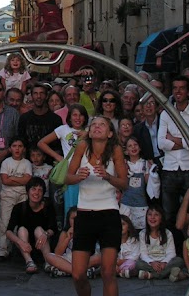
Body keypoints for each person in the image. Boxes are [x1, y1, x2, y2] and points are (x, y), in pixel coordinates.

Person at [66, 115, 129, 296]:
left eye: (102, 125)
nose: (97, 127)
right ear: (89, 131)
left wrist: (108, 176)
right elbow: (67, 178)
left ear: (110, 133)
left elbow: (124, 183)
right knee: (78, 274)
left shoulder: (115, 149)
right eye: (94, 125)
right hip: (85, 214)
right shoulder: (82, 146)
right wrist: (78, 176)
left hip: (108, 213)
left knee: (108, 272)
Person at [157, 76, 189, 238]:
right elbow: (161, 143)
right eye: (175, 88)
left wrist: (173, 138)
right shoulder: (165, 114)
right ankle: (174, 249)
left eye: (182, 88)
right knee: (169, 213)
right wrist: (187, 138)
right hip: (169, 168)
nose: (178, 91)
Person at [38, 103, 88, 212]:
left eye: (81, 115)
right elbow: (41, 143)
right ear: (69, 117)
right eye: (74, 115)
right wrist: (58, 157)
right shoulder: (63, 129)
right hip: (70, 172)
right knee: (71, 207)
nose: (78, 118)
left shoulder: (90, 131)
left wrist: (88, 135)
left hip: (87, 173)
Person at [5, 176, 57, 273]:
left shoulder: (48, 207)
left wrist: (45, 234)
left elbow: (53, 228)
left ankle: (48, 261)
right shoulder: (19, 207)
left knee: (39, 230)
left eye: (40, 190)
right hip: (25, 246)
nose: (36, 193)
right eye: (33, 189)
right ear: (28, 191)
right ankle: (29, 262)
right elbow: (8, 231)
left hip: (43, 243)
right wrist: (21, 243)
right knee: (22, 230)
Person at [0, 137, 32, 260]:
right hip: (7, 195)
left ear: (24, 149)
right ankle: (2, 250)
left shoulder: (27, 163)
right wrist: (20, 180)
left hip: (23, 195)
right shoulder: (6, 162)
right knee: (4, 222)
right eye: (14, 146)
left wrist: (12, 178)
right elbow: (5, 180)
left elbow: (27, 180)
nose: (17, 149)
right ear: (10, 148)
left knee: (22, 223)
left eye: (20, 146)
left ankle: (22, 249)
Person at [135, 205, 184, 280]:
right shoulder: (142, 234)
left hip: (164, 262)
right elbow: (143, 253)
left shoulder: (168, 233)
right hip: (150, 264)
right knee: (138, 264)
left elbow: (171, 253)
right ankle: (166, 274)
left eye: (156, 215)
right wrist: (151, 262)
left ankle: (152, 275)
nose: (152, 217)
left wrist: (164, 262)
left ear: (161, 218)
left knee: (179, 261)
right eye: (150, 214)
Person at [18, 82, 62, 162]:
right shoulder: (24, 118)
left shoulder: (56, 119)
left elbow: (58, 146)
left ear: (46, 96)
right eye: (35, 93)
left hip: (49, 163)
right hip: (28, 163)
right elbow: (21, 143)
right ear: (32, 96)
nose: (38, 96)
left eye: (41, 93)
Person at [119, 137, 150, 231]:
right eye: (130, 146)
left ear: (140, 147)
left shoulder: (145, 164)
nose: (133, 147)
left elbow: (148, 183)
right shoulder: (123, 164)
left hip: (141, 204)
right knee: (125, 229)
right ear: (126, 151)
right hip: (126, 203)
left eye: (135, 145)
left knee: (141, 230)